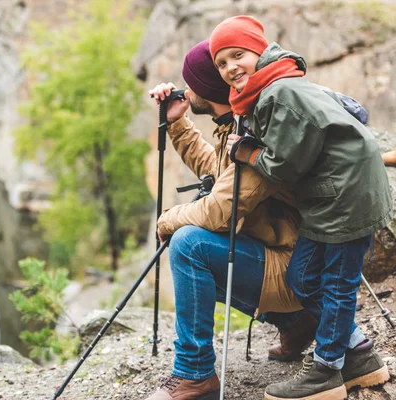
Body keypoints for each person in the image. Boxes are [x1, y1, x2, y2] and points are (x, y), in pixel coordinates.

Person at [209, 16, 392, 400]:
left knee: (338, 285)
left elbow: (285, 165)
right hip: (327, 197)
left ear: (259, 50)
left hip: (347, 194)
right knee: (303, 278)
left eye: (237, 55)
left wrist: (246, 151)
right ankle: (358, 354)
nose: (229, 69)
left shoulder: (280, 92)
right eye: (221, 63)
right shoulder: (269, 88)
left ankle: (327, 371)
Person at [144, 40, 316, 400]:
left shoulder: (255, 130)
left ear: (208, 88)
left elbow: (222, 210)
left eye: (190, 82)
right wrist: (178, 124)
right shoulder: (236, 121)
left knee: (189, 245)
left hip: (296, 268)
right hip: (285, 258)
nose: (185, 90)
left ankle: (195, 373)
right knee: (194, 249)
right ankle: (295, 322)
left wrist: (169, 219)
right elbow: (221, 174)